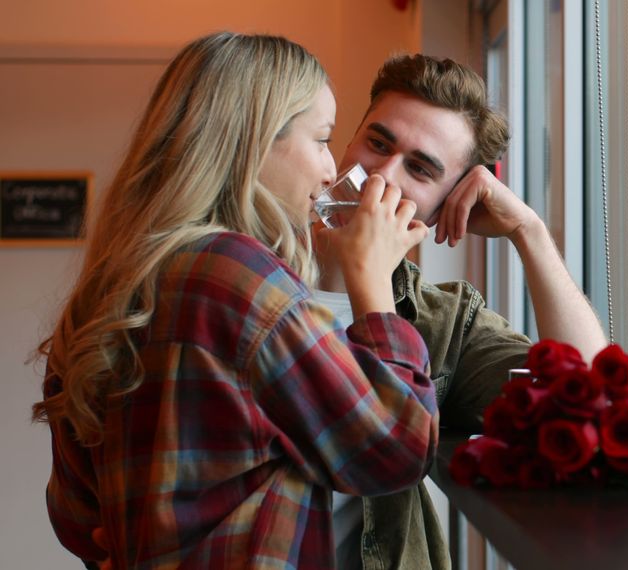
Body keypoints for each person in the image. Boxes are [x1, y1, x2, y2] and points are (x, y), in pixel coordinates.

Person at [31, 32, 439, 569]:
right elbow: (396, 447)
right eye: (321, 140)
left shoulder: (110, 285)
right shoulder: (239, 276)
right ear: (255, 140)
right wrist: (373, 282)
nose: (327, 171)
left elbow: (78, 520)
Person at [313, 55, 608, 569]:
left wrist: (529, 234)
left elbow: (588, 399)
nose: (380, 177)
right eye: (377, 144)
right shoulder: (244, 274)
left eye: (420, 169)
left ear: (447, 205)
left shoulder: (443, 322)